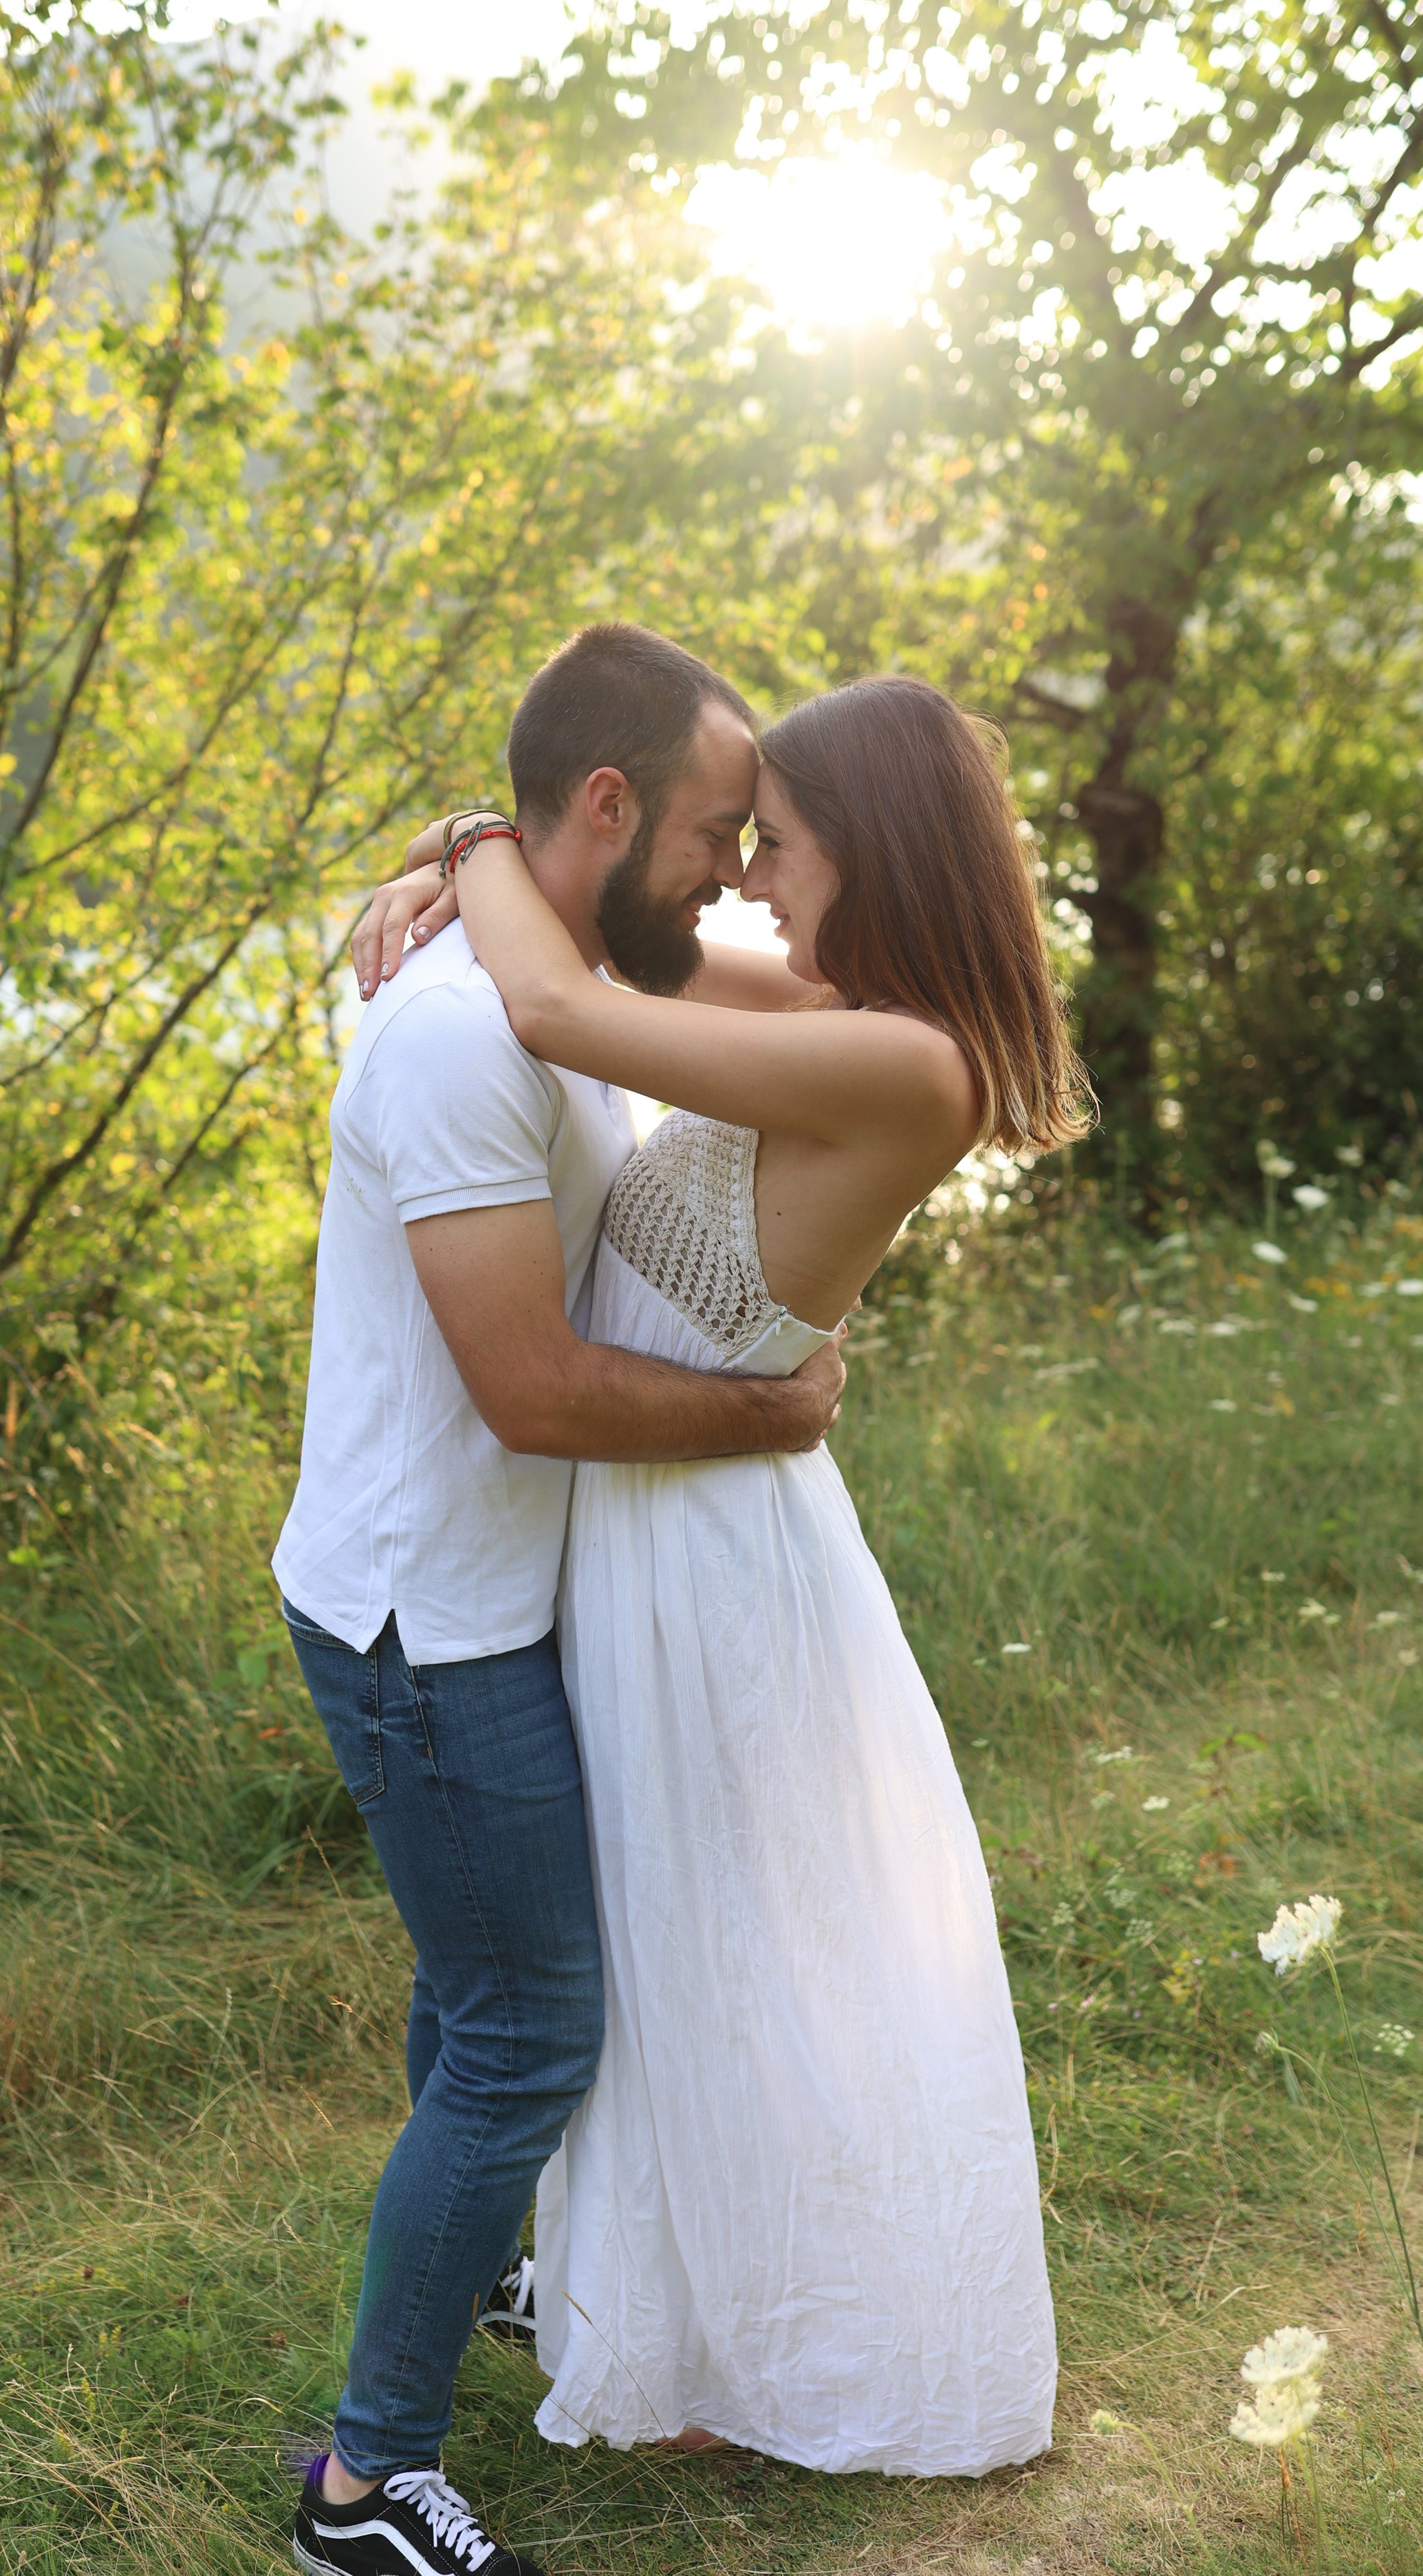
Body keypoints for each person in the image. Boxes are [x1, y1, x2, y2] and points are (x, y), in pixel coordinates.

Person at [356, 666, 1087, 2477]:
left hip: (698, 1551)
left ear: (882, 853)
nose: (755, 881)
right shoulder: (838, 999)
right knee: (675, 1950)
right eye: (745, 840)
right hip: (648, 1520)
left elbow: (551, 997)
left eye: (787, 846)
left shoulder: (905, 1058)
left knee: (722, 1953)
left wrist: (468, 844)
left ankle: (765, 2346)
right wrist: (488, 851)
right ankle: (665, 2312)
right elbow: (605, 954)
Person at [272, 625, 849, 2576]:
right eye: (709, 833)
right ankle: (362, 2488)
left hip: (488, 1596)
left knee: (482, 1997)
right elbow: (528, 1386)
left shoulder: (586, 969)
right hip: (426, 1622)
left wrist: (467, 841)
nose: (728, 869)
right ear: (603, 809)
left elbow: (824, 990)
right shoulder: (454, 1037)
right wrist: (762, 1413)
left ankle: (473, 2289)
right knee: (529, 2030)